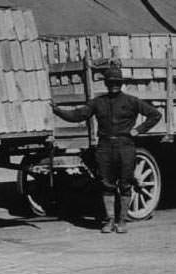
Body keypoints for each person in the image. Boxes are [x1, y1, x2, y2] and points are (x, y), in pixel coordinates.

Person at [51, 66, 162, 234]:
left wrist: (138, 130)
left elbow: (155, 114)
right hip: (105, 147)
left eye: (117, 83)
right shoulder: (98, 102)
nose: (114, 86)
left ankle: (122, 221)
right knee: (106, 184)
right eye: (111, 83)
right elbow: (78, 115)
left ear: (121, 83)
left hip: (126, 146)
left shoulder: (132, 101)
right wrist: (58, 111)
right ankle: (109, 220)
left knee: (125, 184)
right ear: (106, 84)